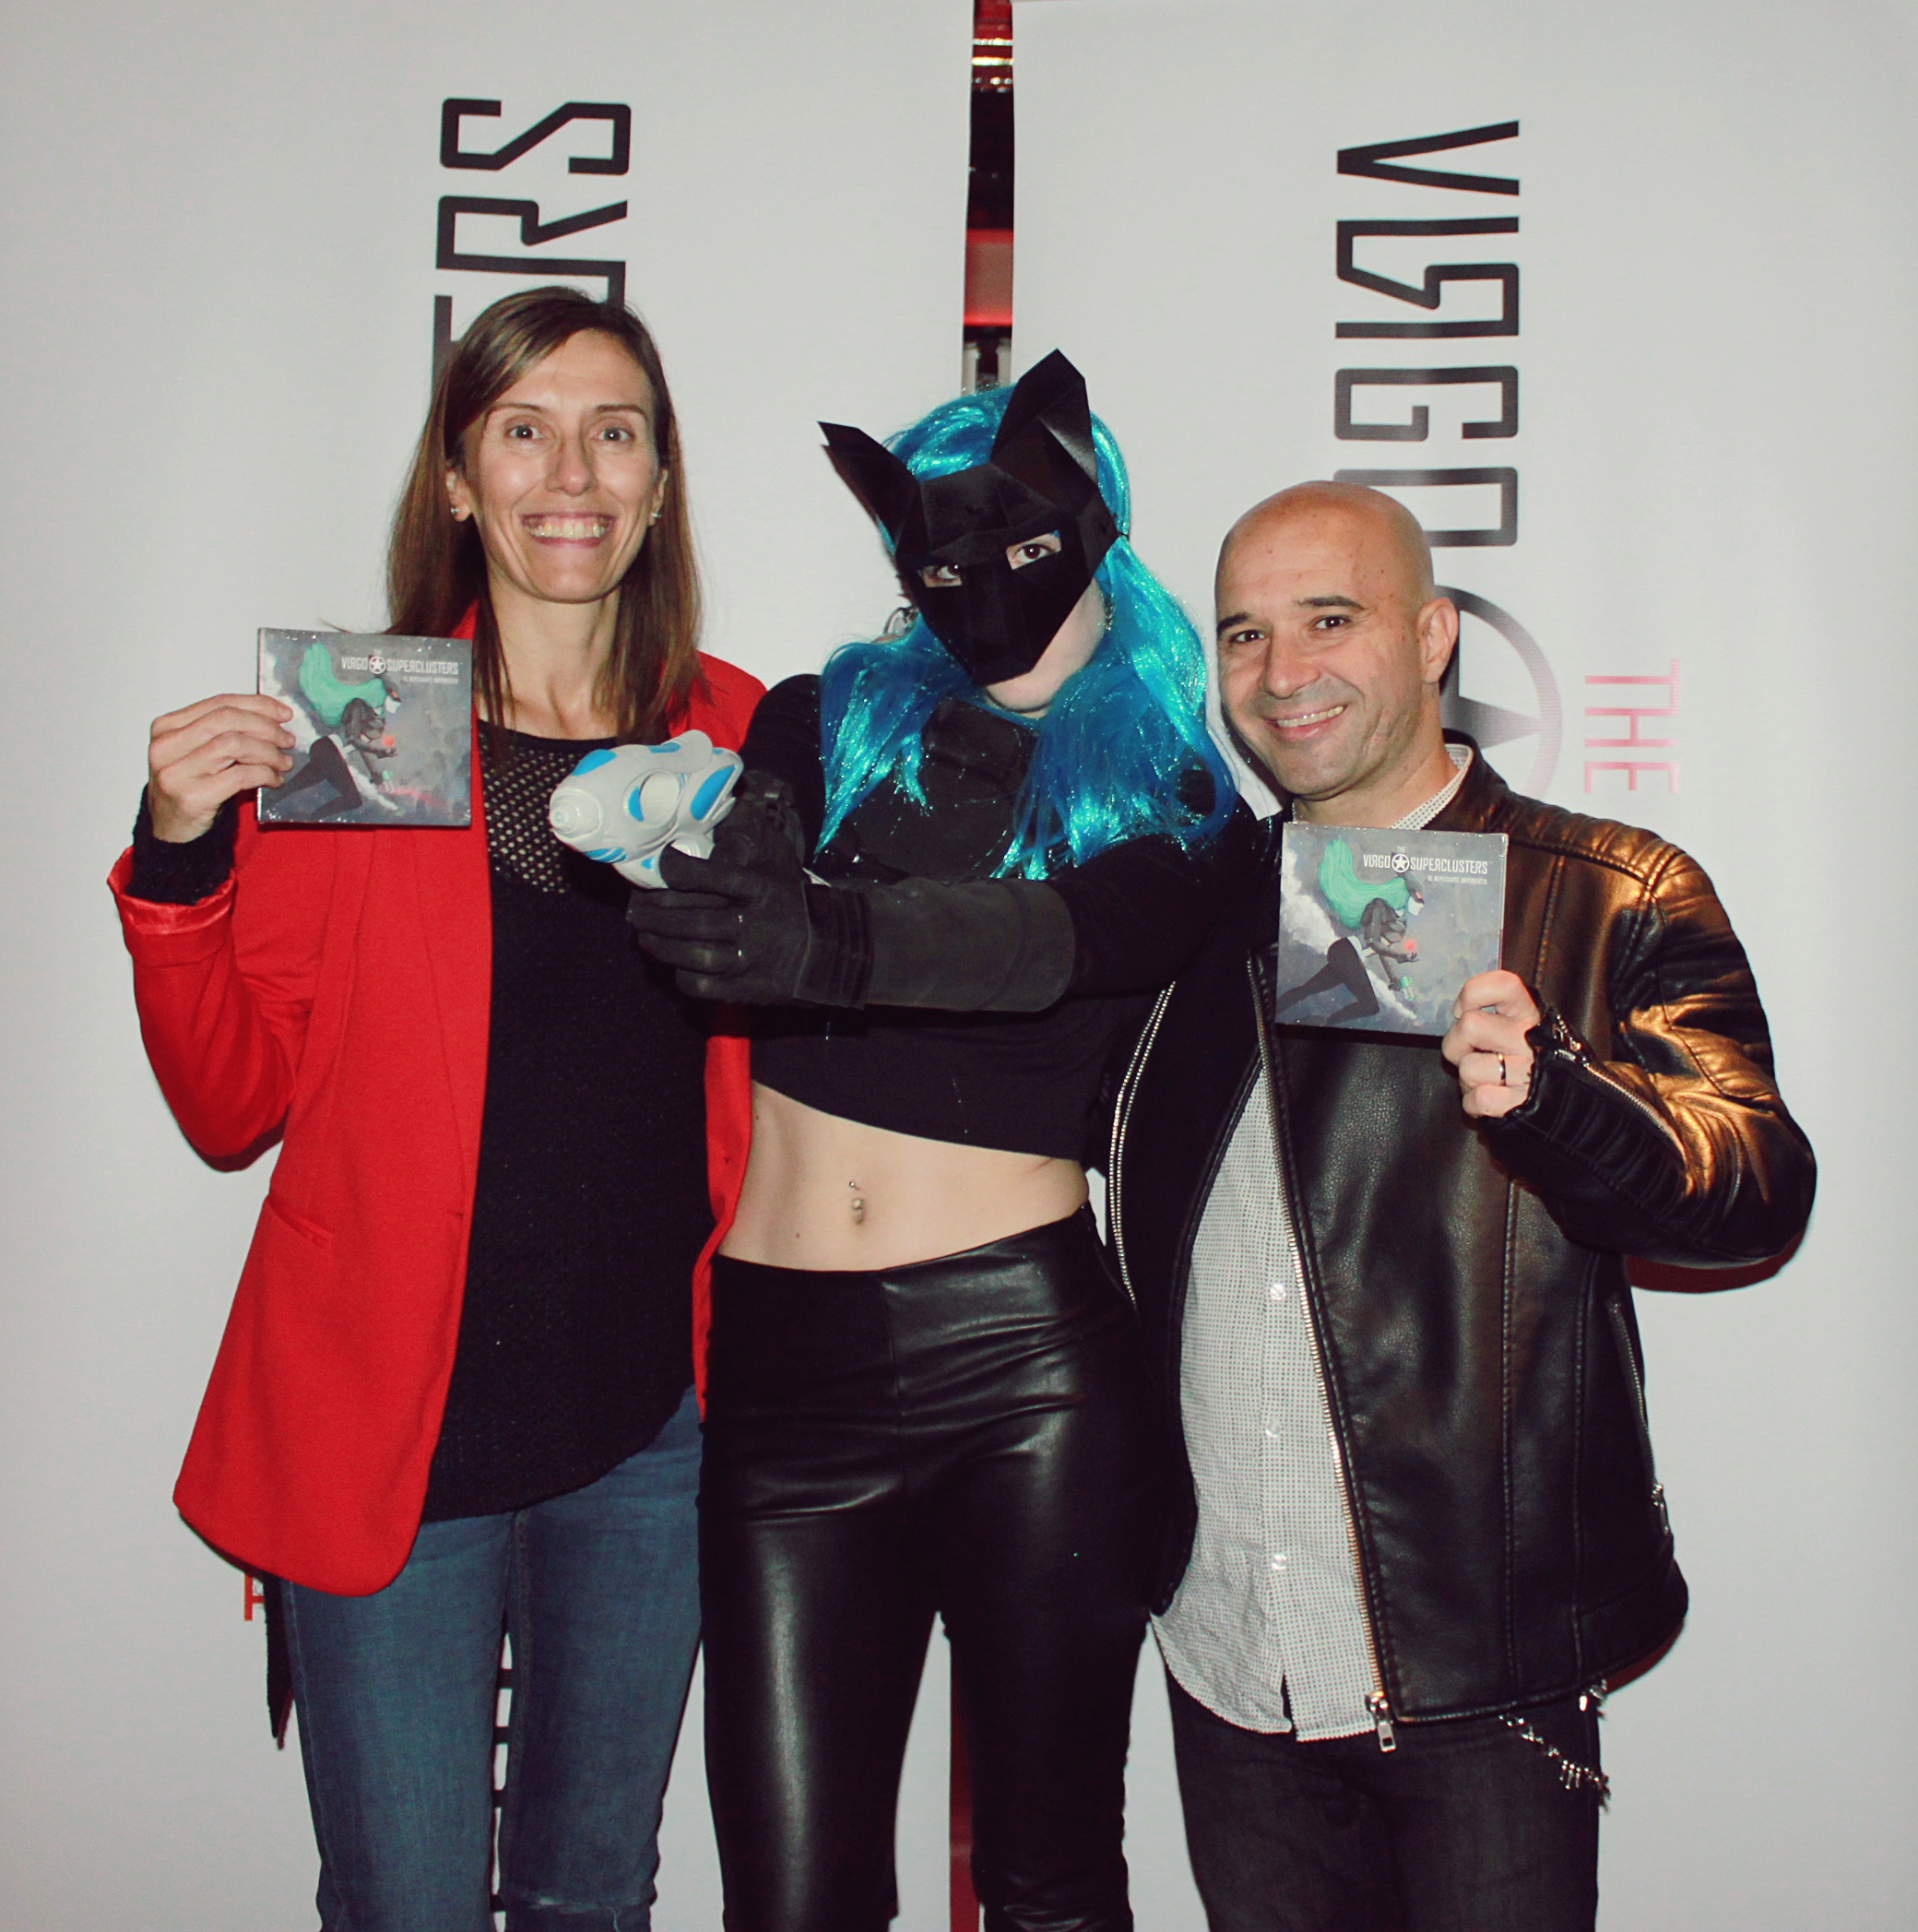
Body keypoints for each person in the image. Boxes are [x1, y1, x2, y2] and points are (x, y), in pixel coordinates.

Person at [110, 286, 762, 1932]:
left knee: (593, 1896)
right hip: (389, 1428)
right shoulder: (367, 726)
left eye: (615, 433)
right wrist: (179, 856)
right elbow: (229, 1102)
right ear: (461, 480)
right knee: (404, 1902)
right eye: (522, 431)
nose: (572, 473)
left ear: (660, 482)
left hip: (653, 1432)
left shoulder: (745, 731)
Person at [1104, 481, 1817, 1932]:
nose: (1283, 673)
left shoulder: (1610, 891)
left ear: (1433, 636)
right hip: (1231, 1649)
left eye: (1330, 619)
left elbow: (1754, 1189)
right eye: (1244, 633)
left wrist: (1565, 1097)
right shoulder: (1196, 903)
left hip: (1482, 1662)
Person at [626, 351, 1255, 1932]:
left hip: (1024, 1366)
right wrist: (685, 858)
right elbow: (729, 886)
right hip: (782, 1373)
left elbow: (1058, 941)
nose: (984, 587)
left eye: (1021, 542)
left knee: (1050, 1885)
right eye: (941, 559)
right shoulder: (817, 723)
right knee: (792, 1900)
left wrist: (828, 943)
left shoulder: (1185, 804)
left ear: (1097, 524)